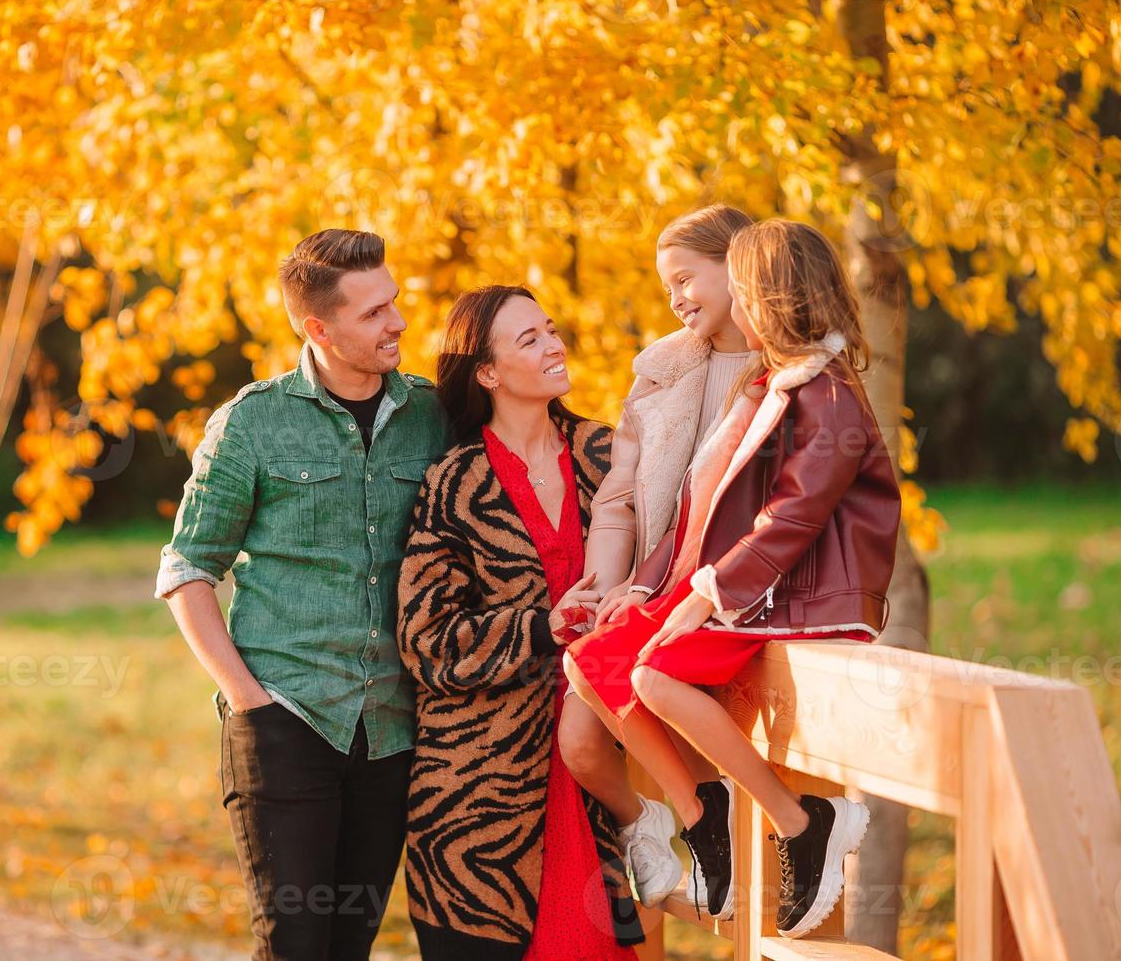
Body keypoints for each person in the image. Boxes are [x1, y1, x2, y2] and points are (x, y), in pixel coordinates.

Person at [565, 218, 902, 939]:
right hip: (758, 592)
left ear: (768, 297)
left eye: (740, 294)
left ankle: (800, 821)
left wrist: (704, 596)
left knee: (654, 675)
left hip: (806, 600)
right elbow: (700, 511)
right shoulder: (767, 389)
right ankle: (703, 816)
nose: (733, 313)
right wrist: (653, 588)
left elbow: (794, 517)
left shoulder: (826, 395)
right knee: (594, 659)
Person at [155, 229, 451, 959]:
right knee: (293, 944)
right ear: (318, 328)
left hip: (393, 727)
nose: (398, 322)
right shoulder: (254, 421)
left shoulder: (433, 415)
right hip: (287, 719)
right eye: (375, 312)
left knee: (350, 943)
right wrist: (250, 703)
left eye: (395, 303)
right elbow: (187, 568)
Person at [396, 285, 643, 959]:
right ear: (487, 372)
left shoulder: (609, 455)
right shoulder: (453, 482)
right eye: (529, 339)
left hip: (600, 774)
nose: (554, 345)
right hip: (480, 809)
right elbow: (425, 644)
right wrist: (541, 627)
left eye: (552, 329)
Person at [560, 204, 758, 910]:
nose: (676, 299)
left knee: (666, 701)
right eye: (665, 286)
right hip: (651, 586)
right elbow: (619, 502)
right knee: (580, 731)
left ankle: (730, 842)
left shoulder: (786, 369)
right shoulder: (661, 370)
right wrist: (609, 589)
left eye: (685, 279)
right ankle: (685, 820)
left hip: (732, 597)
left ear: (739, 264)